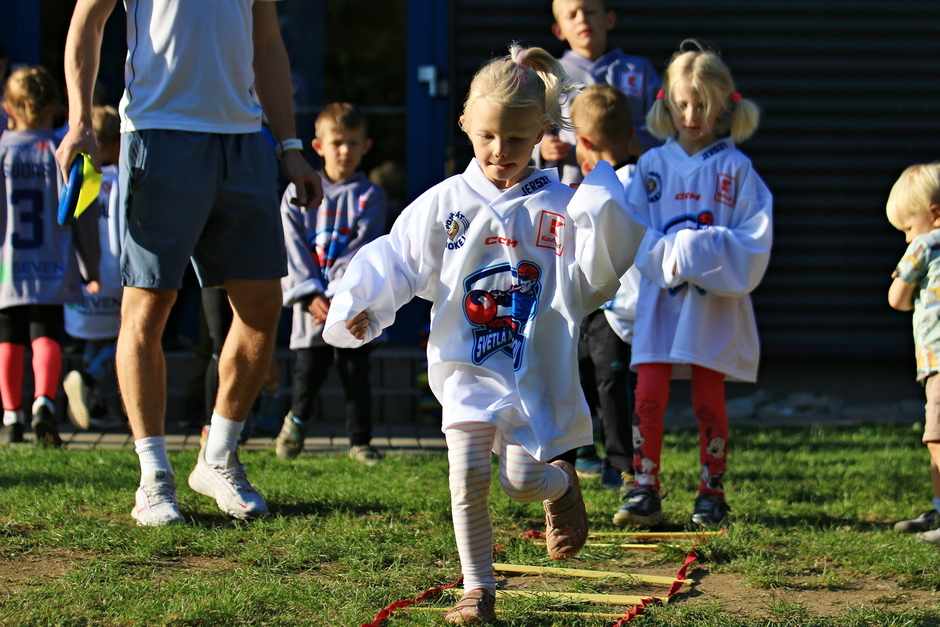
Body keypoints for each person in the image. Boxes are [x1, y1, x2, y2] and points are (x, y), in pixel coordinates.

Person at [322, 45, 646, 624]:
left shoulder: (559, 205)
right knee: (467, 476)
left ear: (541, 133)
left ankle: (559, 486)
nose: (500, 150)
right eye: (488, 136)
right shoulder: (444, 202)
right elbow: (399, 258)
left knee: (520, 481)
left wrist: (604, 212)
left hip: (532, 370)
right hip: (465, 365)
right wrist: (363, 304)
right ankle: (478, 589)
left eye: (517, 139)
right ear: (465, 123)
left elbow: (591, 277)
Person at [57, 0, 323, 526]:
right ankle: (153, 476)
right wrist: (80, 121)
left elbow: (268, 44)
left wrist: (290, 146)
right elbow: (87, 20)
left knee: (262, 306)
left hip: (244, 139)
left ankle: (218, 456)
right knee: (148, 307)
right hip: (156, 133)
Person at [619, 40, 772, 529]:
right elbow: (632, 230)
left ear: (724, 105)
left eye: (702, 105)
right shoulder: (651, 165)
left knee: (708, 397)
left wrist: (695, 249)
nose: (690, 116)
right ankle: (644, 487)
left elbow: (753, 238)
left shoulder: (736, 169)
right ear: (666, 102)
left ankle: (712, 492)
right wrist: (668, 257)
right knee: (648, 391)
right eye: (682, 104)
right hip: (659, 301)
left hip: (711, 304)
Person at [275, 103, 388, 465]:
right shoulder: (298, 193)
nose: (344, 151)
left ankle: (360, 442)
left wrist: (341, 297)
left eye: (353, 143)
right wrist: (310, 294)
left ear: (365, 146)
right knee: (308, 371)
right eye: (337, 142)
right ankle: (296, 424)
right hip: (312, 306)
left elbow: (363, 250)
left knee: (355, 371)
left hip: (352, 305)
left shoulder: (371, 196)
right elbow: (290, 245)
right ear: (318, 146)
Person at [0, 66, 101, 446]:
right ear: (55, 105)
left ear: (8, 107)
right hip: (52, 260)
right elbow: (83, 212)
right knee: (46, 333)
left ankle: (11, 415)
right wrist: (91, 264)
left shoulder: (2, 150)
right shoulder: (63, 152)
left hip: (8, 264)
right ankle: (43, 401)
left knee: (8, 338)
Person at [568, 84, 641, 520]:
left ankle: (621, 463)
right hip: (598, 306)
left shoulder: (617, 184)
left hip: (616, 307)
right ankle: (586, 451)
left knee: (612, 384)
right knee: (586, 373)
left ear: (584, 142)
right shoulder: (616, 181)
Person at [536, 0, 661, 185]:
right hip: (573, 188)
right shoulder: (551, 76)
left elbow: (662, 127)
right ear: (559, 30)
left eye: (590, 12)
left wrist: (625, 141)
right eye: (572, 15)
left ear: (609, 19)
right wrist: (542, 149)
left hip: (635, 185)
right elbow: (530, 127)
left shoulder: (638, 70)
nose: (582, 20)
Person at [886, 163, 940, 543]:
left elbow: (897, 298)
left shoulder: (925, 245)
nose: (907, 238)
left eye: (907, 227)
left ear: (934, 214)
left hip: (938, 361)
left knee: (937, 437)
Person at [63, 105, 125, 431]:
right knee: (123, 337)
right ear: (116, 143)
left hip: (85, 274)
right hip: (116, 273)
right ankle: (89, 379)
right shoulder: (121, 179)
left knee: (93, 337)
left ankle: (93, 403)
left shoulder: (80, 179)